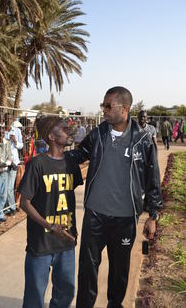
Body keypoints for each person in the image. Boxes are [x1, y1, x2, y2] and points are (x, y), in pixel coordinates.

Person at [68, 86, 162, 308]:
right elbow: (80, 154)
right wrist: (56, 157)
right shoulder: (98, 134)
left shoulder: (143, 140)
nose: (104, 110)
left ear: (125, 108)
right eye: (104, 105)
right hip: (95, 215)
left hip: (125, 217)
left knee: (119, 270)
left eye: (108, 106)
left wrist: (153, 215)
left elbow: (153, 178)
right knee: (88, 267)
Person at [18, 116, 83, 308]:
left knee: (65, 294)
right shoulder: (37, 164)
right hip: (41, 243)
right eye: (64, 129)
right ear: (51, 137)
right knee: (34, 297)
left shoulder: (71, 163)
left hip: (66, 241)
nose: (69, 131)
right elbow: (25, 203)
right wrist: (50, 225)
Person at [0, 127, 12, 225]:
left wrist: (7, 163)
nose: (1, 134)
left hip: (5, 171)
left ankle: (0, 214)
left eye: (3, 132)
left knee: (3, 195)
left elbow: (10, 155)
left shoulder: (7, 142)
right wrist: (2, 163)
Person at [5, 113, 23, 215]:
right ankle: (6, 208)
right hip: (3, 163)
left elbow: (21, 145)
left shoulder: (17, 131)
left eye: (10, 118)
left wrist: (15, 141)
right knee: (4, 188)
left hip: (14, 163)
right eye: (6, 118)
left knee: (10, 187)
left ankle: (11, 208)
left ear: (12, 120)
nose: (8, 120)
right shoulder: (1, 130)